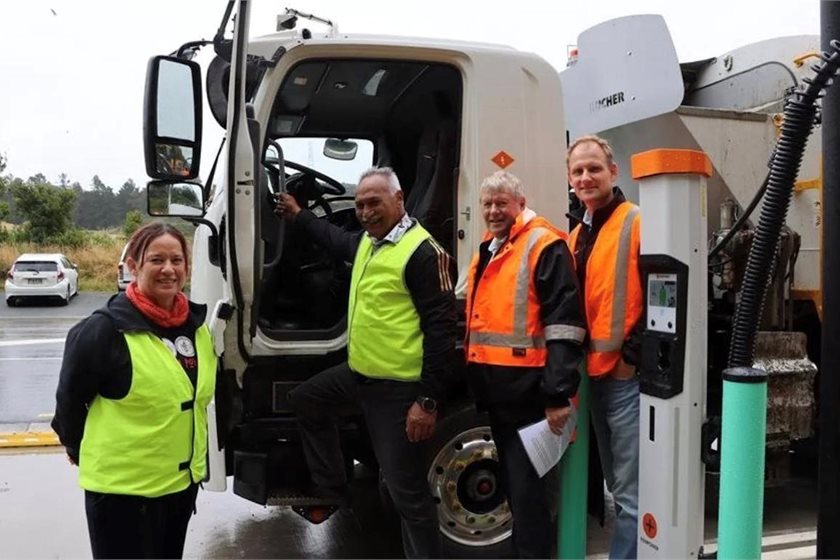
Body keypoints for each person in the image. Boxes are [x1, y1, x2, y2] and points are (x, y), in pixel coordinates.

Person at [275, 166, 456, 559]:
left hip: (397, 391)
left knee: (408, 494)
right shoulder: (367, 245)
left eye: (374, 202)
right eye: (359, 205)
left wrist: (427, 401)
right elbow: (334, 238)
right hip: (360, 376)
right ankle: (334, 489)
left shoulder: (424, 253)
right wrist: (298, 214)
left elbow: (443, 335)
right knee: (307, 398)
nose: (365, 212)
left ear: (399, 199)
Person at [51, 223, 217, 559]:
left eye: (177, 260)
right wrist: (77, 446)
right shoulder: (103, 329)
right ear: (133, 266)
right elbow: (69, 402)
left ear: (187, 266)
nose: (168, 269)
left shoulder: (196, 328)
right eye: (156, 260)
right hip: (121, 495)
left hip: (178, 488)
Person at [465, 170, 586, 559]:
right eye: (487, 203)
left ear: (520, 203)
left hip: (532, 398)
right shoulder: (492, 246)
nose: (494, 210)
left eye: (502, 202)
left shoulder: (543, 244)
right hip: (502, 395)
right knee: (518, 493)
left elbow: (565, 326)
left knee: (529, 495)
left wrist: (557, 395)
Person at [566, 135, 643, 559]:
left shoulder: (635, 221)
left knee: (630, 493)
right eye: (577, 171)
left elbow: (664, 296)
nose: (586, 177)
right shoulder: (579, 233)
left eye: (594, 168)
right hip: (594, 376)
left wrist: (631, 360)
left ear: (613, 172)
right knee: (617, 487)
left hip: (623, 379)